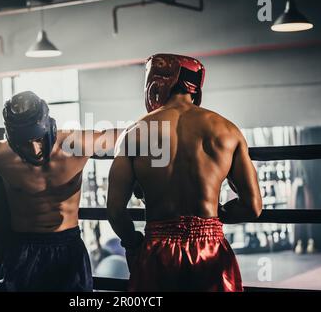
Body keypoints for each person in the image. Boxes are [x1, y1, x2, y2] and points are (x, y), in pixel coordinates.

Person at [0, 91, 119, 292]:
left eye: (38, 138)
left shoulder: (77, 144)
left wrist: (135, 170)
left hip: (69, 246)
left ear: (49, 126)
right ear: (12, 138)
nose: (35, 148)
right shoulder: (0, 153)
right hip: (25, 250)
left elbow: (132, 137)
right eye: (24, 142)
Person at [106, 53, 262, 292]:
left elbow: (115, 211)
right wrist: (214, 218)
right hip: (210, 249)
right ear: (196, 86)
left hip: (158, 249)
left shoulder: (134, 134)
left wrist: (133, 244)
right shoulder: (228, 130)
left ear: (155, 81)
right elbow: (253, 206)